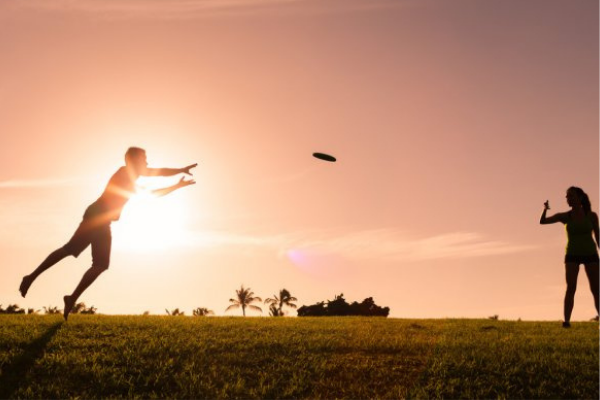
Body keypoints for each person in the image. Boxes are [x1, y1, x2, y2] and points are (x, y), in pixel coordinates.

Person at [19, 147, 197, 320]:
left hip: (103, 221)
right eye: (143, 159)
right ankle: (33, 278)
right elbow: (154, 181)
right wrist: (177, 179)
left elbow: (157, 175)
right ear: (133, 160)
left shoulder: (132, 178)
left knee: (98, 264)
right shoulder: (124, 174)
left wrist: (178, 176)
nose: (147, 162)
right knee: (72, 251)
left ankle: (70, 297)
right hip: (97, 217)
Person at [540, 186, 600, 327]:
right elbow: (543, 222)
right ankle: (566, 321)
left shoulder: (591, 216)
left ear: (579, 198)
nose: (568, 199)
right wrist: (545, 209)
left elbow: (598, 236)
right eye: (567, 196)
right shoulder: (565, 216)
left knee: (596, 289)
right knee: (571, 288)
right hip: (572, 254)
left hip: (590, 254)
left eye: (571, 196)